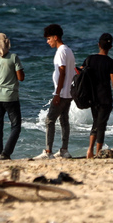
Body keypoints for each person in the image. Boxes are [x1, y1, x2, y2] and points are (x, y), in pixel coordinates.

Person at [34, 24, 76, 160]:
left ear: (55, 37)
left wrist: (57, 93)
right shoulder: (69, 50)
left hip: (62, 92)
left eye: (48, 39)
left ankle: (48, 151)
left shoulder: (61, 51)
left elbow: (62, 71)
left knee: (49, 120)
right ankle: (64, 150)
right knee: (64, 120)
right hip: (69, 92)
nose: (47, 41)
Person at [82, 33, 113, 158]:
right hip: (105, 98)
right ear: (110, 47)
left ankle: (90, 150)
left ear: (98, 45)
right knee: (101, 125)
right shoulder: (111, 62)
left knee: (96, 123)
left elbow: (80, 73)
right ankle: (97, 153)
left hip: (92, 97)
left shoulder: (89, 59)